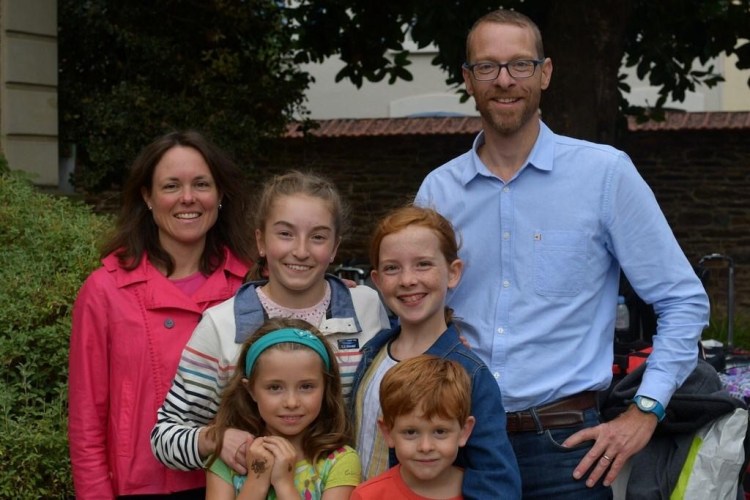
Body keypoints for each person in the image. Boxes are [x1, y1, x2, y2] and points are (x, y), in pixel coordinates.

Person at [414, 8, 710, 499]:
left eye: (520, 65)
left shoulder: (604, 175)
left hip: (567, 449)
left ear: (545, 73)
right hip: (456, 447)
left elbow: (683, 301)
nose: (504, 80)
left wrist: (646, 410)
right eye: (487, 66)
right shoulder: (439, 191)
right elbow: (413, 308)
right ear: (468, 80)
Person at [151, 170, 391, 475]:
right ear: (261, 241)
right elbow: (164, 438)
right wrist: (216, 438)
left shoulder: (366, 307)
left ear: (334, 248)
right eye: (285, 234)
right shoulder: (221, 325)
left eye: (317, 237)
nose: (301, 251)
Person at [68, 130, 255, 499]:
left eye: (201, 184)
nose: (188, 198)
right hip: (138, 486)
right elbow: (87, 419)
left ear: (220, 195)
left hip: (234, 484)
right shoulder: (104, 290)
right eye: (171, 186)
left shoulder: (250, 286)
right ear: (147, 197)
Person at [350, 204, 521, 499]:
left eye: (423, 264)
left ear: (452, 273)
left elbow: (495, 482)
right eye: (393, 268)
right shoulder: (370, 353)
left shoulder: (470, 375)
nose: (407, 280)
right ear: (377, 281)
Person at [205, 317, 361, 499]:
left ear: (326, 387)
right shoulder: (229, 457)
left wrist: (284, 484)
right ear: (251, 390)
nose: (292, 403)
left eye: (306, 386)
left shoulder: (340, 461)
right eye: (275, 388)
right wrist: (257, 479)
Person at [351, 355, 476, 500]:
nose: (425, 447)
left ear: (464, 431)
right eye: (410, 432)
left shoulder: (487, 492)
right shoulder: (368, 496)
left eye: (440, 431)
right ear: (388, 432)